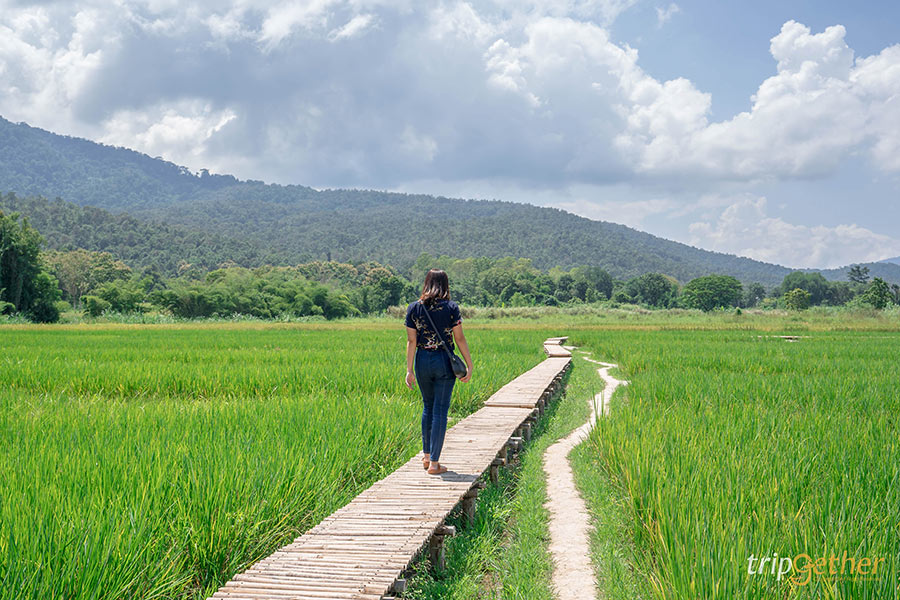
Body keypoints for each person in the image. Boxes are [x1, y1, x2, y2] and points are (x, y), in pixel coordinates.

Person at [405, 269, 473, 475]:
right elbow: (459, 338)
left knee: (428, 406)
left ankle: (427, 457)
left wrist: (409, 370)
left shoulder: (414, 308)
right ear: (445, 285)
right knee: (440, 410)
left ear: (426, 283)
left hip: (422, 360)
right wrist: (469, 365)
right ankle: (435, 464)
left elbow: (411, 341)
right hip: (443, 360)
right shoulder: (451, 308)